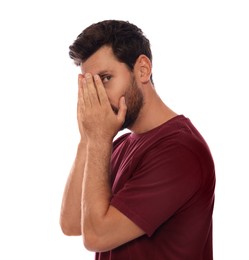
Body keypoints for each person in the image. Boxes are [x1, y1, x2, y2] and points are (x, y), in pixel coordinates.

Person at [60, 20, 215, 260]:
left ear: (142, 69)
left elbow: (97, 236)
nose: (98, 96)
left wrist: (98, 139)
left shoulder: (180, 151)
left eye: (106, 78)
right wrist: (87, 139)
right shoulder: (118, 145)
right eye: (91, 84)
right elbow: (71, 224)